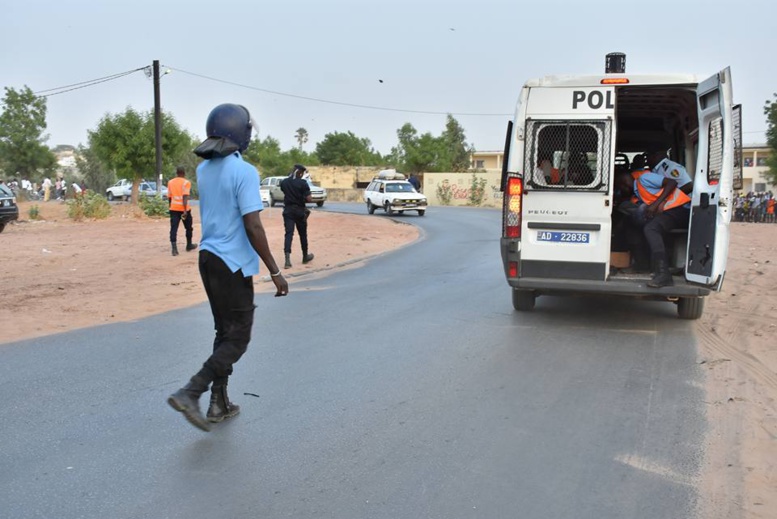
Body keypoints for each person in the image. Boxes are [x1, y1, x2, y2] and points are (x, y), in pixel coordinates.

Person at [167, 103, 288, 432]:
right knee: (239, 339)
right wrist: (276, 272)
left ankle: (218, 403)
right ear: (240, 132)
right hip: (231, 263)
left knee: (224, 333)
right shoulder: (244, 172)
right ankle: (191, 391)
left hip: (207, 259)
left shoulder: (205, 170)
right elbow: (253, 226)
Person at [614, 170, 691, 287]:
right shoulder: (636, 194)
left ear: (625, 183)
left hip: (680, 210)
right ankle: (642, 265)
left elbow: (672, 182)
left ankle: (663, 274)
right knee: (631, 224)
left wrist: (658, 203)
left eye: (621, 188)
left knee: (651, 229)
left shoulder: (645, 178)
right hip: (667, 213)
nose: (622, 192)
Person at [279, 164, 315, 269]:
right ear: (300, 172)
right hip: (299, 211)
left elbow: (285, 191)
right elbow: (309, 199)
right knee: (303, 234)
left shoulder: (284, 182)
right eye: (302, 173)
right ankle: (305, 256)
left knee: (289, 234)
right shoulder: (303, 183)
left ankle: (287, 260)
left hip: (288, 210)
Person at [167, 166, 197, 256]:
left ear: (177, 173)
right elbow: (185, 196)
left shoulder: (170, 182)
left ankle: (174, 249)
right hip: (184, 210)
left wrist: (170, 207)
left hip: (173, 209)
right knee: (188, 228)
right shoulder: (186, 182)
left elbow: (169, 197)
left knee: (173, 228)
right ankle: (189, 245)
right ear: (184, 173)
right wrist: (184, 210)